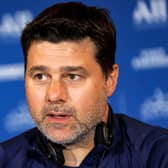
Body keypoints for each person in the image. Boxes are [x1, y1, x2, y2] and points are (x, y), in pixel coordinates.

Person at [0, 1, 168, 168]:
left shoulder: (157, 155)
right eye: (41, 76)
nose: (54, 95)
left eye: (72, 77)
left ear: (110, 80)